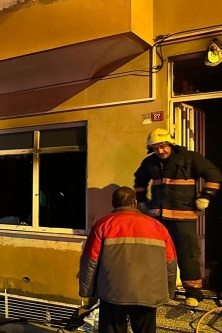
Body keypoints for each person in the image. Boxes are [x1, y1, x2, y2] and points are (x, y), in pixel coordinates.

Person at [134, 128, 222, 307]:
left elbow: (214, 175)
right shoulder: (149, 162)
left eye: (163, 146)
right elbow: (139, 182)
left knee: (187, 255)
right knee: (158, 255)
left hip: (184, 218)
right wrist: (142, 202)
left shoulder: (190, 158)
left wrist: (206, 196)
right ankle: (162, 290)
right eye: (156, 148)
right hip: (159, 220)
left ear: (171, 144)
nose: (160, 151)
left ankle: (193, 293)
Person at [79, 187, 177, 333]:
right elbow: (170, 261)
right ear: (134, 203)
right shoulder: (157, 227)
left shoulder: (103, 224)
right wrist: (169, 291)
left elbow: (90, 261)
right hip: (148, 293)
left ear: (113, 203)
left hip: (112, 292)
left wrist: (87, 291)